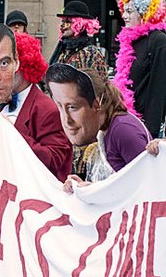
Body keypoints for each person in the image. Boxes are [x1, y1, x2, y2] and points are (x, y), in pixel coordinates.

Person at [46, 63, 151, 192]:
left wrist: (94, 190)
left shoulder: (123, 130)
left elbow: (147, 187)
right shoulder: (106, 130)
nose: (66, 120)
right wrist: (85, 187)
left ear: (97, 105)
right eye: (60, 106)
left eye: (73, 107)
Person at [0, 24, 72, 181]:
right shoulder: (3, 104)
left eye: (5, 64)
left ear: (23, 64)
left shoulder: (47, 109)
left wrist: (12, 133)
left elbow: (54, 161)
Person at [113, 0, 166, 139]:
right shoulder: (130, 41)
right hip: (125, 120)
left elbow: (159, 88)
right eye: (124, 11)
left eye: (130, 11)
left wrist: (152, 132)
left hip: (144, 127)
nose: (124, 16)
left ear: (144, 13)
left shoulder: (159, 41)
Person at [48, 0, 108, 79]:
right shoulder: (63, 49)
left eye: (68, 22)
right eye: (63, 21)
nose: (62, 25)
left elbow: (100, 84)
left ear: (80, 24)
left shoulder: (91, 53)